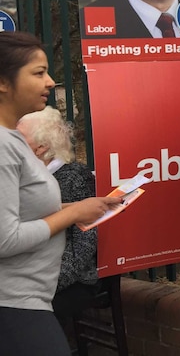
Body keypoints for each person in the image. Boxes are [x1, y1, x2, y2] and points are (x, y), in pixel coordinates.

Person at [0, 31, 121, 355]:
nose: (51, 82)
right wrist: (74, 213)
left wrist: (80, 205)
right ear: (3, 82)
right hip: (13, 303)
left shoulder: (11, 140)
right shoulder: (3, 145)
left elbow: (21, 207)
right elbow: (4, 239)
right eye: (38, 73)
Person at [17, 106, 99, 322]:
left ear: (40, 147)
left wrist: (43, 283)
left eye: (19, 137)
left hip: (69, 281)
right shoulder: (25, 175)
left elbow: (83, 246)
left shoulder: (74, 178)